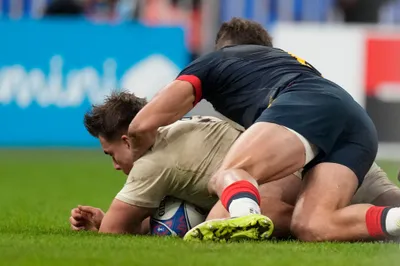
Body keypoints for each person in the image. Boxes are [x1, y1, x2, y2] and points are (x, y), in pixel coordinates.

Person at [126, 16, 400, 242]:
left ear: (223, 48)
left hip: (303, 106)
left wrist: (138, 159)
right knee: (313, 225)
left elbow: (141, 125)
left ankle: (244, 216)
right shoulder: (288, 61)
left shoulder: (213, 62)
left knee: (230, 173)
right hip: (356, 121)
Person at [69, 91, 400, 240]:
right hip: (331, 155)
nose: (114, 165)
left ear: (127, 140)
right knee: (390, 202)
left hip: (293, 182)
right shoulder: (188, 124)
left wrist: (103, 222)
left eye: (111, 154)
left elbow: (115, 230)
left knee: (306, 224)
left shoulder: (151, 164)